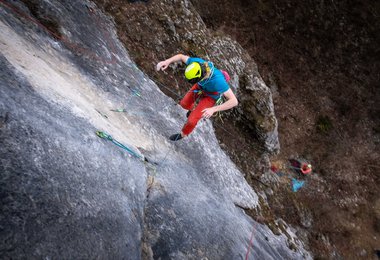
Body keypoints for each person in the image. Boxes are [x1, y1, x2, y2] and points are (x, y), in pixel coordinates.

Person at [156, 54, 238, 141]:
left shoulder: (218, 81)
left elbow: (234, 101)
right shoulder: (196, 63)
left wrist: (213, 109)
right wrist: (167, 61)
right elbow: (181, 56)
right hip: (200, 86)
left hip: (211, 96)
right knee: (184, 104)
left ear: (201, 76)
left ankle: (183, 134)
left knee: (191, 121)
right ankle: (193, 109)